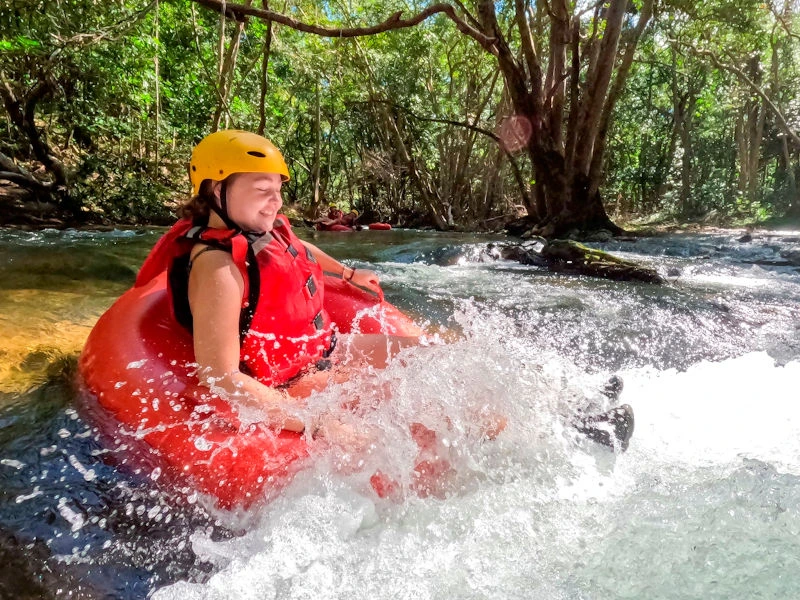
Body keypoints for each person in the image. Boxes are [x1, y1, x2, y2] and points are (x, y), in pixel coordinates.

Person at [137, 130, 413, 443]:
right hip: (290, 379)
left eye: (278, 189)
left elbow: (299, 248)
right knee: (400, 410)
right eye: (262, 189)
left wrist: (347, 273)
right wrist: (317, 423)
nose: (276, 201)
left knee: (425, 357)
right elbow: (221, 377)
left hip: (322, 348)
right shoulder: (218, 267)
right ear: (216, 189)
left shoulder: (261, 231)